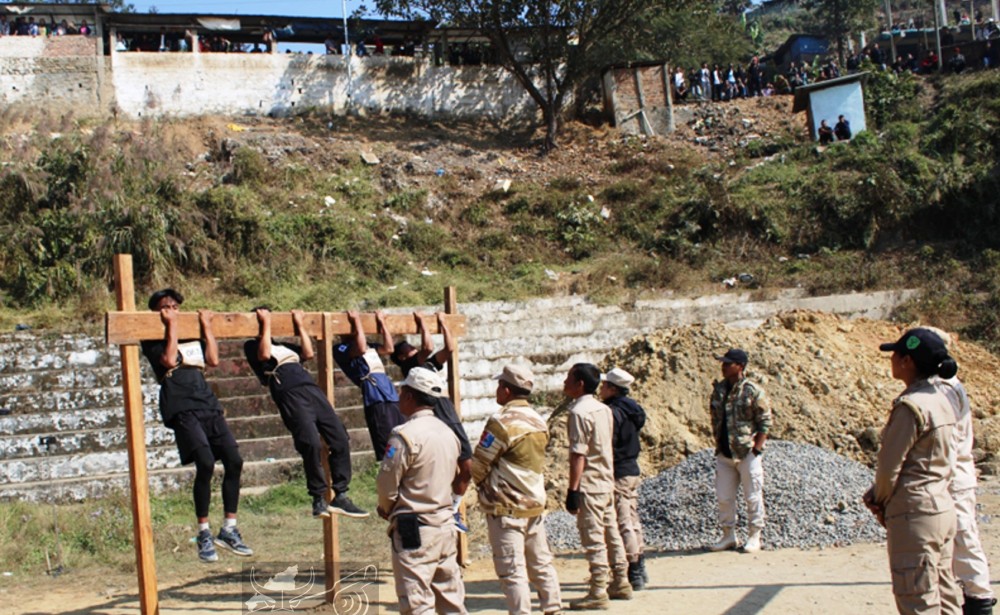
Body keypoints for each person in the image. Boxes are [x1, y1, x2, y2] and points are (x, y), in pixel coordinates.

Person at [140, 289, 252, 563]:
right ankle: (203, 531)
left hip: (206, 401)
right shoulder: (152, 335)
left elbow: (212, 360)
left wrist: (206, 327)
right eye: (166, 306)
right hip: (180, 404)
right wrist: (172, 326)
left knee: (234, 460)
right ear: (158, 312)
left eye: (176, 305)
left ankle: (229, 528)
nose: (172, 309)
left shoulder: (190, 334)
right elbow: (168, 360)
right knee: (204, 462)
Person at [863, 329, 962, 615]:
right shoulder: (943, 400)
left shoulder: (911, 406)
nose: (892, 359)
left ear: (907, 361)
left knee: (918, 600)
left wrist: (879, 499)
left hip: (915, 514)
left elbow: (889, 467)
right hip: (941, 507)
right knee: (947, 599)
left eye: (896, 354)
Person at [244, 307, 368, 519]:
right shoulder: (252, 345)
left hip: (310, 389)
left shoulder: (285, 346)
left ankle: (341, 494)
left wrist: (300, 324)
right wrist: (264, 324)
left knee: (339, 437)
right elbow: (265, 354)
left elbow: (308, 353)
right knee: (310, 442)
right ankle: (318, 498)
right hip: (289, 391)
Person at [472, 365, 562, 615]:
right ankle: (553, 608)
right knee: (541, 563)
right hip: (534, 503)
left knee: (512, 571)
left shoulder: (502, 423)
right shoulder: (539, 421)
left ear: (507, 390)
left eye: (499, 385)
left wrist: (481, 486)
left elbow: (479, 464)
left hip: (506, 506)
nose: (497, 390)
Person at [376, 367, 466, 614]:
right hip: (445, 524)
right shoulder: (449, 433)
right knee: (450, 598)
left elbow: (386, 484)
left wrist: (386, 507)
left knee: (417, 601)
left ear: (409, 396)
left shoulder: (404, 435)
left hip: (414, 527)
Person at [922, 328, 996, 615]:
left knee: (964, 542)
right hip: (950, 476)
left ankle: (979, 601)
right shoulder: (942, 384)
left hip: (951, 477)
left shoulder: (943, 387)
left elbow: (946, 440)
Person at [387, 312, 472, 532]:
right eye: (409, 350)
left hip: (449, 414)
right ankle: (447, 509)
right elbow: (427, 347)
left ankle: (453, 508)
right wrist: (428, 323)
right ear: (404, 358)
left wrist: (445, 328)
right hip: (438, 416)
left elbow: (449, 349)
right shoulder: (412, 369)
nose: (415, 350)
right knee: (452, 466)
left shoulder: (430, 366)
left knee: (467, 466)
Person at [564, 363, 631, 609]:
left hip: (590, 483)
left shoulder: (578, 413)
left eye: (569, 378)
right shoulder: (604, 409)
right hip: (605, 478)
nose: (564, 382)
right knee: (611, 531)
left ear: (579, 383)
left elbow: (578, 454)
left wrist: (573, 489)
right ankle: (621, 579)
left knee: (593, 537)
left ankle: (597, 590)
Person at [709, 348, 771, 553]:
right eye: (723, 363)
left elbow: (764, 421)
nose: (723, 367)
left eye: (728, 363)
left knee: (752, 495)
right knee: (724, 497)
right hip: (725, 453)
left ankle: (755, 535)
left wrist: (756, 449)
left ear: (740, 366)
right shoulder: (719, 390)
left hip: (746, 453)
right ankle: (728, 535)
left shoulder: (752, 391)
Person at [333, 310, 406, 461]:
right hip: (375, 398)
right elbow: (360, 348)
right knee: (387, 443)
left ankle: (403, 469)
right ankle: (389, 468)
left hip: (390, 395)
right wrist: (358, 322)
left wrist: (382, 323)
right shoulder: (341, 348)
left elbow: (389, 349)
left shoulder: (370, 346)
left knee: (402, 436)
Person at [600, 367, 647, 591]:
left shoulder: (613, 413)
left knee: (623, 521)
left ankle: (633, 568)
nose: (601, 389)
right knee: (632, 518)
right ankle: (639, 562)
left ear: (613, 389)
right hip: (631, 468)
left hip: (619, 471)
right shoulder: (632, 410)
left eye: (604, 386)